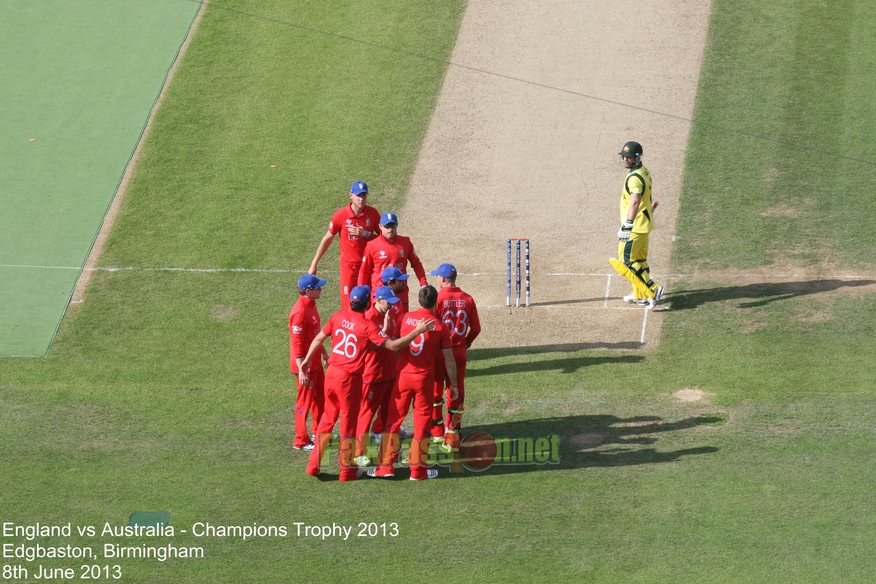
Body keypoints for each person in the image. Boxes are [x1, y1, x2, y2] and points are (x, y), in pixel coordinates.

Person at [298, 286, 434, 482]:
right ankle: (347, 471)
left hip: (332, 374)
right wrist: (417, 331)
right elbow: (393, 346)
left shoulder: (338, 316)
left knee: (327, 420)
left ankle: (313, 466)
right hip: (349, 379)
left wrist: (306, 361)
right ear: (369, 302)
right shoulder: (367, 325)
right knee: (348, 425)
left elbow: (319, 338)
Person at [369, 286, 459, 481]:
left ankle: (385, 466)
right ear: (436, 303)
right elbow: (450, 360)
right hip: (423, 379)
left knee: (393, 420)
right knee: (422, 424)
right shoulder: (440, 327)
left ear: (419, 300)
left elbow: (394, 344)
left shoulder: (404, 318)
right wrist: (453, 385)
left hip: (403, 376)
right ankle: (418, 471)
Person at [430, 263, 480, 450]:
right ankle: (453, 439)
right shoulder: (468, 299)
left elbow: (432, 325)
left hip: (439, 352)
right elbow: (476, 328)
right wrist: (466, 342)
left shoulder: (438, 298)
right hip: (458, 351)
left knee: (435, 392)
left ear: (442, 279)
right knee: (456, 392)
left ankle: (435, 431)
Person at [308, 181, 381, 309]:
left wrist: (367, 234)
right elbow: (328, 238)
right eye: (358, 195)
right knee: (348, 306)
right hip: (349, 268)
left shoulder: (373, 214)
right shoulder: (340, 215)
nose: (361, 199)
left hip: (369, 267)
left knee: (370, 304)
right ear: (350, 195)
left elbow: (385, 240)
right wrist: (314, 263)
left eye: (364, 195)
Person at [354, 285, 404, 467]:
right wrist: (384, 331)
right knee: (366, 415)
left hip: (390, 373)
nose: (392, 306)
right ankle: (359, 453)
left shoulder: (386, 316)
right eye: (389, 303)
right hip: (372, 375)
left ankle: (392, 452)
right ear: (378, 300)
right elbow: (366, 348)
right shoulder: (368, 319)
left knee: (390, 415)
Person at [613, 141, 664, 308]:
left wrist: (628, 224)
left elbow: (635, 201)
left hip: (635, 227)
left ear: (637, 157)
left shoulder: (634, 178)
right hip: (644, 224)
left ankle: (653, 289)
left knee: (627, 262)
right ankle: (640, 294)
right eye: (624, 157)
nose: (626, 160)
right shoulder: (643, 171)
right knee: (639, 260)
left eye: (629, 157)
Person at [288, 274, 328, 452]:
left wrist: (325, 354)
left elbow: (317, 335)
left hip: (316, 364)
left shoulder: (311, 306)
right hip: (305, 368)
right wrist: (301, 368)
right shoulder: (300, 312)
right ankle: (300, 440)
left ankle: (317, 433)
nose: (320, 289)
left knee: (321, 399)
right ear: (308, 290)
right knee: (303, 403)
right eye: (317, 287)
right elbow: (296, 343)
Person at [357, 212, 428, 310]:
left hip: (400, 294)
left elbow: (416, 264)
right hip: (380, 296)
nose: (390, 229)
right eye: (387, 226)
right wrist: (360, 291)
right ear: (380, 226)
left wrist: (423, 283)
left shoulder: (405, 242)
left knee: (401, 324)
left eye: (393, 225)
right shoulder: (371, 246)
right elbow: (364, 271)